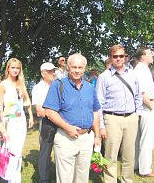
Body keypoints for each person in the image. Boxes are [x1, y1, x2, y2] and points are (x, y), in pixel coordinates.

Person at [44, 53, 101, 183]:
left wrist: (97, 136)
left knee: (82, 177)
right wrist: (68, 128)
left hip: (86, 138)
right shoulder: (58, 85)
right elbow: (49, 112)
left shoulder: (90, 88)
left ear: (84, 68)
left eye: (80, 67)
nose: (77, 70)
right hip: (66, 138)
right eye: (73, 67)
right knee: (65, 178)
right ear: (68, 67)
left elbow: (95, 112)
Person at [96, 44, 142, 183]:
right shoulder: (104, 77)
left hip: (131, 118)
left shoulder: (132, 74)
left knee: (129, 155)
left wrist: (137, 114)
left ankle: (127, 180)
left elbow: (138, 96)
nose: (118, 59)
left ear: (125, 57)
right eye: (115, 56)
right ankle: (110, 180)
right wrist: (102, 126)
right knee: (111, 155)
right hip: (112, 118)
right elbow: (99, 104)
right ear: (110, 58)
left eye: (121, 56)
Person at [0, 58, 34, 183]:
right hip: (9, 121)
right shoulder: (2, 85)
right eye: (13, 67)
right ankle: (9, 177)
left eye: (17, 68)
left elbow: (26, 101)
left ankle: (15, 178)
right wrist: (1, 124)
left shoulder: (20, 84)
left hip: (21, 119)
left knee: (18, 151)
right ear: (8, 68)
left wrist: (31, 116)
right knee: (11, 150)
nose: (15, 70)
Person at [134, 48, 154, 177]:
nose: (152, 56)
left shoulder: (142, 69)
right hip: (146, 107)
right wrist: (151, 106)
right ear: (143, 56)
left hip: (145, 105)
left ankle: (137, 165)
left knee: (139, 137)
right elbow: (141, 92)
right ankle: (145, 169)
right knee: (147, 139)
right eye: (150, 53)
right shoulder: (141, 70)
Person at [31, 62, 56, 183]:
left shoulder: (57, 85)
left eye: (53, 71)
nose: (53, 73)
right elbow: (39, 111)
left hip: (60, 123)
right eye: (50, 71)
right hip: (47, 123)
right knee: (45, 151)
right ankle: (44, 178)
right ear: (43, 73)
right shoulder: (38, 88)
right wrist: (54, 115)